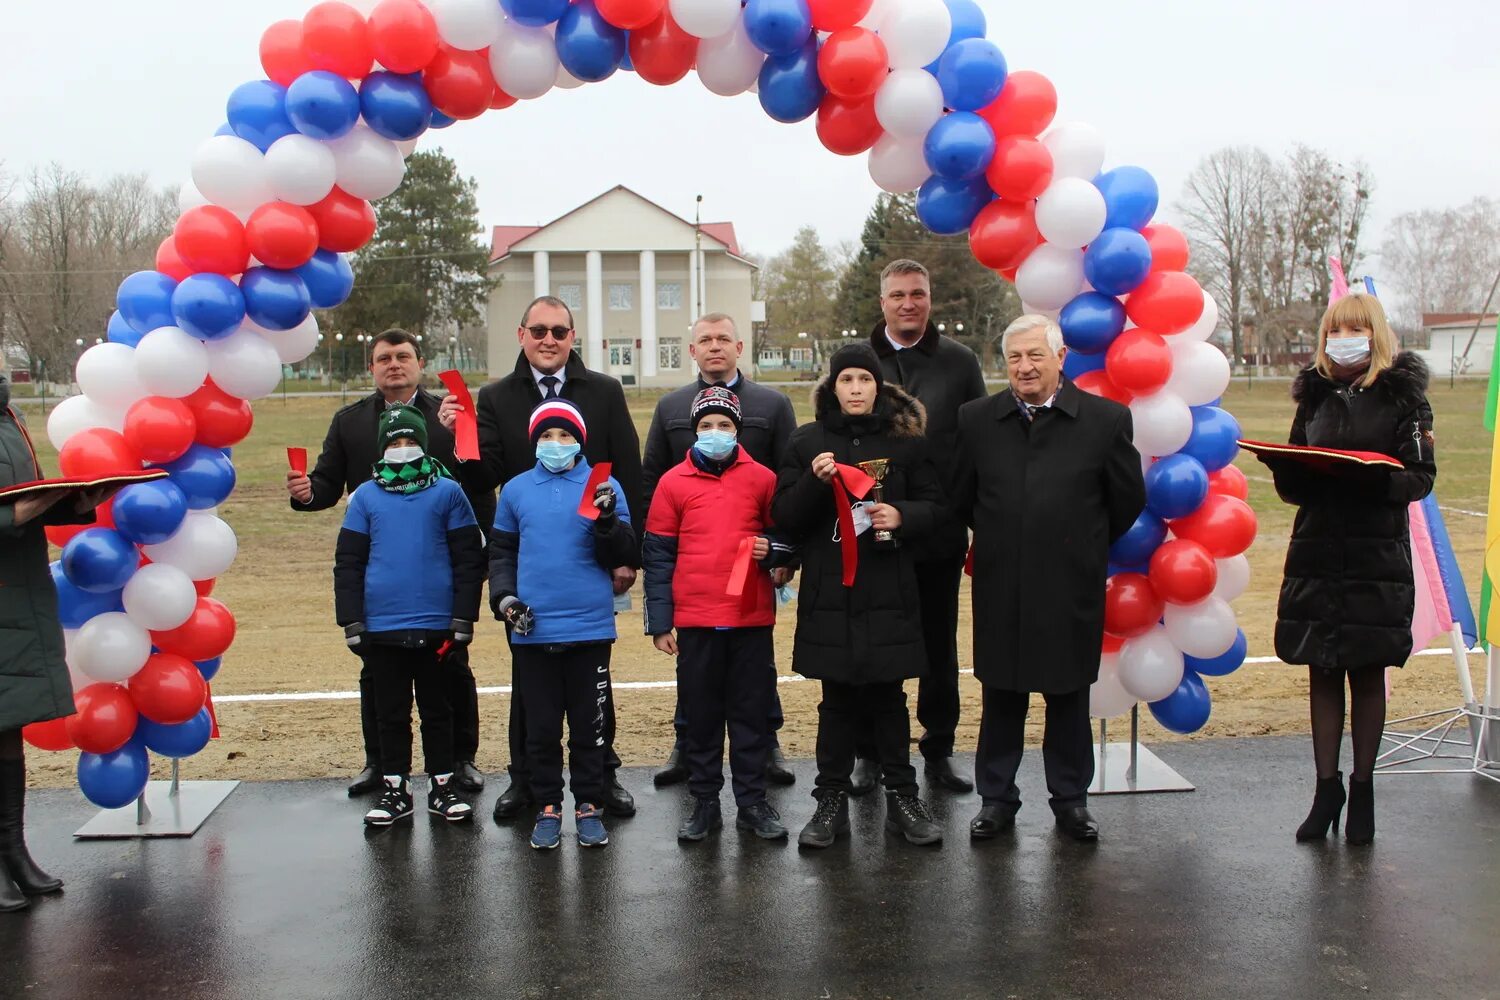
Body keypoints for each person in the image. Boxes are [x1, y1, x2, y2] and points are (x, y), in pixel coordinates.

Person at [439, 295, 642, 821]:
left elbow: (629, 473)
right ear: (521, 334)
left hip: (591, 562)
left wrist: (629, 554)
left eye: (560, 330)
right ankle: (526, 781)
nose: (549, 339)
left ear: (572, 336)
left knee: (592, 684)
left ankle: (603, 777)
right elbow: (483, 476)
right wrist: (454, 434)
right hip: (529, 570)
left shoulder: (603, 390)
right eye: (539, 330)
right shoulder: (497, 396)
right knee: (530, 684)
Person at [952, 315, 1145, 843]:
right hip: (1002, 583)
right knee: (1002, 695)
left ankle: (1070, 800)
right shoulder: (976, 420)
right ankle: (996, 799)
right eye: (1015, 357)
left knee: (1066, 696)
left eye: (1035, 355)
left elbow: (1126, 500)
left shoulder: (1105, 421)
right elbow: (962, 494)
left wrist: (1078, 542)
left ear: (1060, 358)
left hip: (1069, 584)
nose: (1024, 367)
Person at [288, 328, 491, 797]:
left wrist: (477, 556)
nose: (393, 364)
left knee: (452, 668)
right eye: (383, 358)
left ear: (420, 362)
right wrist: (307, 494)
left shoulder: (448, 414)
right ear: (371, 367)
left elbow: (477, 481)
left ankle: (460, 759)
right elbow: (326, 484)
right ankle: (379, 762)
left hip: (439, 572)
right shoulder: (350, 422)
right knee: (376, 676)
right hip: (383, 581)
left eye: (403, 356)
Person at [1266, 293, 1434, 846]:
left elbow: (1419, 476)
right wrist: (1288, 471)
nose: (1346, 337)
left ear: (1375, 333)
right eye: (1338, 328)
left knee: (1365, 671)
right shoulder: (1312, 394)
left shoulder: (1403, 396)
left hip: (1375, 555)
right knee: (1321, 669)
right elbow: (1295, 475)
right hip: (1317, 551)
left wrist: (1372, 478)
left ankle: (1362, 789)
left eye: (1358, 328)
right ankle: (1325, 788)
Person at [772, 344, 948, 849]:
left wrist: (903, 516)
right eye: (846, 379)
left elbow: (939, 508)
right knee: (837, 701)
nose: (855, 389)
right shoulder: (807, 442)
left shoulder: (907, 443)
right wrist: (813, 481)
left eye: (864, 380)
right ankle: (830, 801)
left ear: (878, 388)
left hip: (889, 587)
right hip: (831, 590)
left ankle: (903, 798)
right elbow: (785, 515)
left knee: (891, 698)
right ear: (833, 387)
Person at [640, 313, 798, 789]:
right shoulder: (670, 406)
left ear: (739, 345)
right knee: (696, 665)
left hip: (752, 566)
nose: (714, 346)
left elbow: (788, 482)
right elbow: (653, 479)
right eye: (704, 339)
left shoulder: (772, 404)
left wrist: (783, 553)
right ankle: (686, 743)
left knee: (755, 662)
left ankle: (766, 745)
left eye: (722, 339)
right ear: (692, 350)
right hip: (695, 567)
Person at [859, 259, 987, 795]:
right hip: (874, 531)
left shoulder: (959, 362)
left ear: (929, 298)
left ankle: (938, 749)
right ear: (882, 300)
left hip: (938, 530)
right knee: (876, 644)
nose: (907, 303)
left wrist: (972, 515)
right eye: (897, 295)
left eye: (917, 293)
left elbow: (980, 440)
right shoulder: (860, 361)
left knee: (939, 647)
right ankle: (871, 753)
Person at [488, 399, 637, 849]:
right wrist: (505, 599)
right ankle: (548, 804)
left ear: (581, 441)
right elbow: (501, 554)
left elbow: (624, 553)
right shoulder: (515, 490)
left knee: (590, 727)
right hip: (533, 631)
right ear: (535, 442)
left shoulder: (602, 483)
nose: (556, 444)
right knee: (542, 728)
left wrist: (608, 519)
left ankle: (589, 803)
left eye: (566, 436)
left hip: (590, 629)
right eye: (548, 437)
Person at [335, 405, 486, 827]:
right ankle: (395, 788)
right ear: (383, 448)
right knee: (391, 713)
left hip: (437, 623)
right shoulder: (364, 496)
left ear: (424, 444)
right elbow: (349, 562)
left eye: (411, 442)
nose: (403, 450)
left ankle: (442, 785)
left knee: (439, 709)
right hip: (382, 627)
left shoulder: (448, 492)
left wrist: (463, 618)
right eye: (395, 443)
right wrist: (351, 620)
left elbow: (467, 560)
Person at [0, 376, 115, 911]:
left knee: (6, 730)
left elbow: (26, 497)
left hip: (18, 593)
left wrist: (76, 501)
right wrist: (11, 516)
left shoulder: (10, 415)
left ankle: (12, 852)